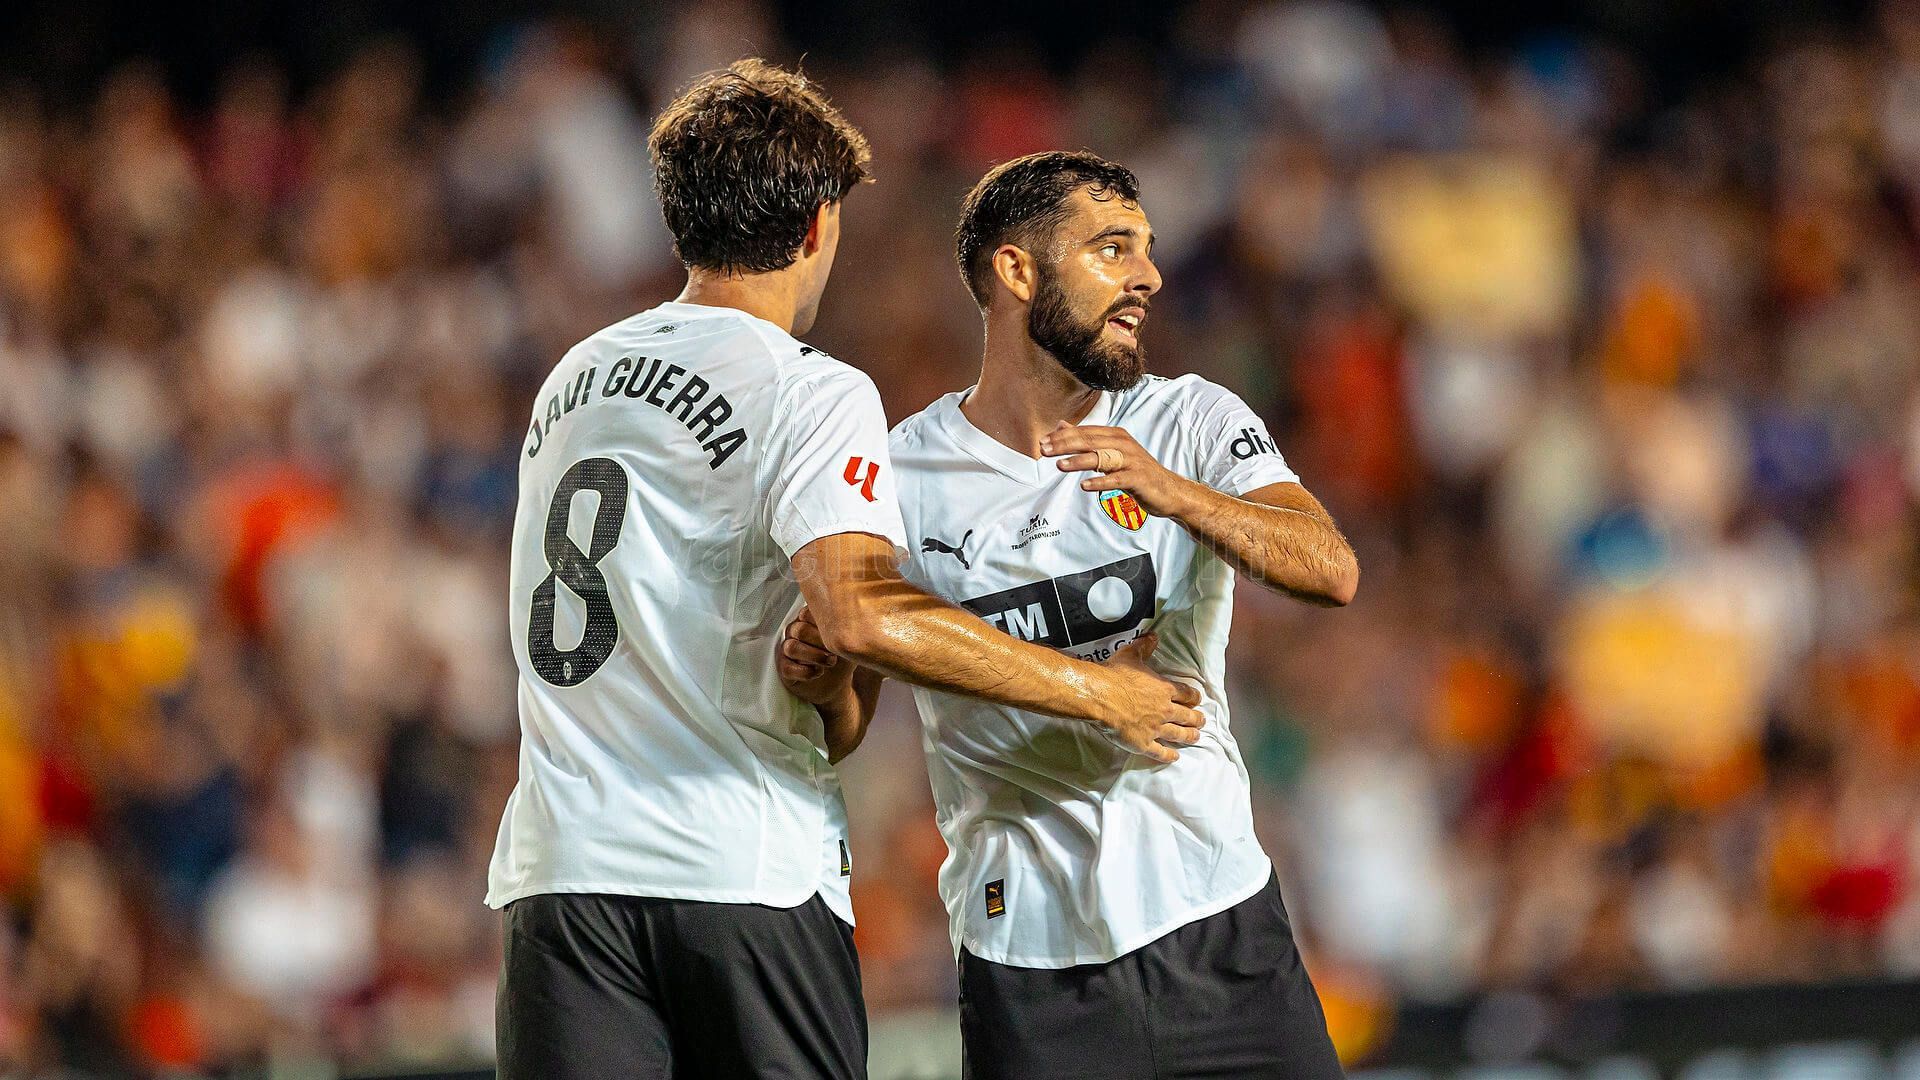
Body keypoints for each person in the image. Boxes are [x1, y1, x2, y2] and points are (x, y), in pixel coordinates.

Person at [487, 68, 1205, 1080]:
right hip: (740, 874)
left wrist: (825, 685)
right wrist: (1098, 691)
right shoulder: (805, 388)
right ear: (820, 223)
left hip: (561, 883)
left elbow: (827, 686)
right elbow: (861, 617)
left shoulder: (575, 377)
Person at [778, 151, 1360, 1079]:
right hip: (1030, 974)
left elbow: (1329, 568)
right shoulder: (903, 475)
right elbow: (847, 731)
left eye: (1148, 249)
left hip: (1219, 928)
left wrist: (1177, 494)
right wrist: (824, 687)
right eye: (1112, 248)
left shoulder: (1187, 421)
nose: (1148, 277)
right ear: (1016, 271)